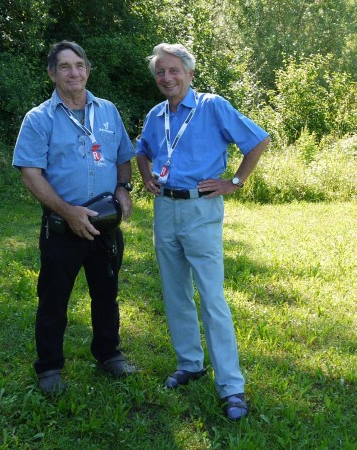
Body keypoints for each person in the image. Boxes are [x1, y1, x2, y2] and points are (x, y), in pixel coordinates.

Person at [136, 43, 270, 420]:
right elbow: (142, 149)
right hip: (165, 208)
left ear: (190, 74)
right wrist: (146, 175)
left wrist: (236, 181)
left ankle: (232, 387)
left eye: (174, 70)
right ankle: (190, 363)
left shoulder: (212, 106)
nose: (167, 78)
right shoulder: (156, 114)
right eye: (160, 72)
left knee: (212, 298)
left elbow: (258, 140)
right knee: (175, 292)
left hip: (201, 207)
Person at [12, 40, 137, 396]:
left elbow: (123, 156)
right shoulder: (38, 118)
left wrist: (124, 188)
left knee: (106, 294)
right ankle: (49, 368)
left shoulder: (108, 111)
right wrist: (67, 212)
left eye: (79, 65)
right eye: (64, 66)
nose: (74, 72)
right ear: (52, 73)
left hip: (106, 223)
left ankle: (109, 354)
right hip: (62, 226)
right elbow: (31, 174)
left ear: (88, 69)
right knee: (53, 298)